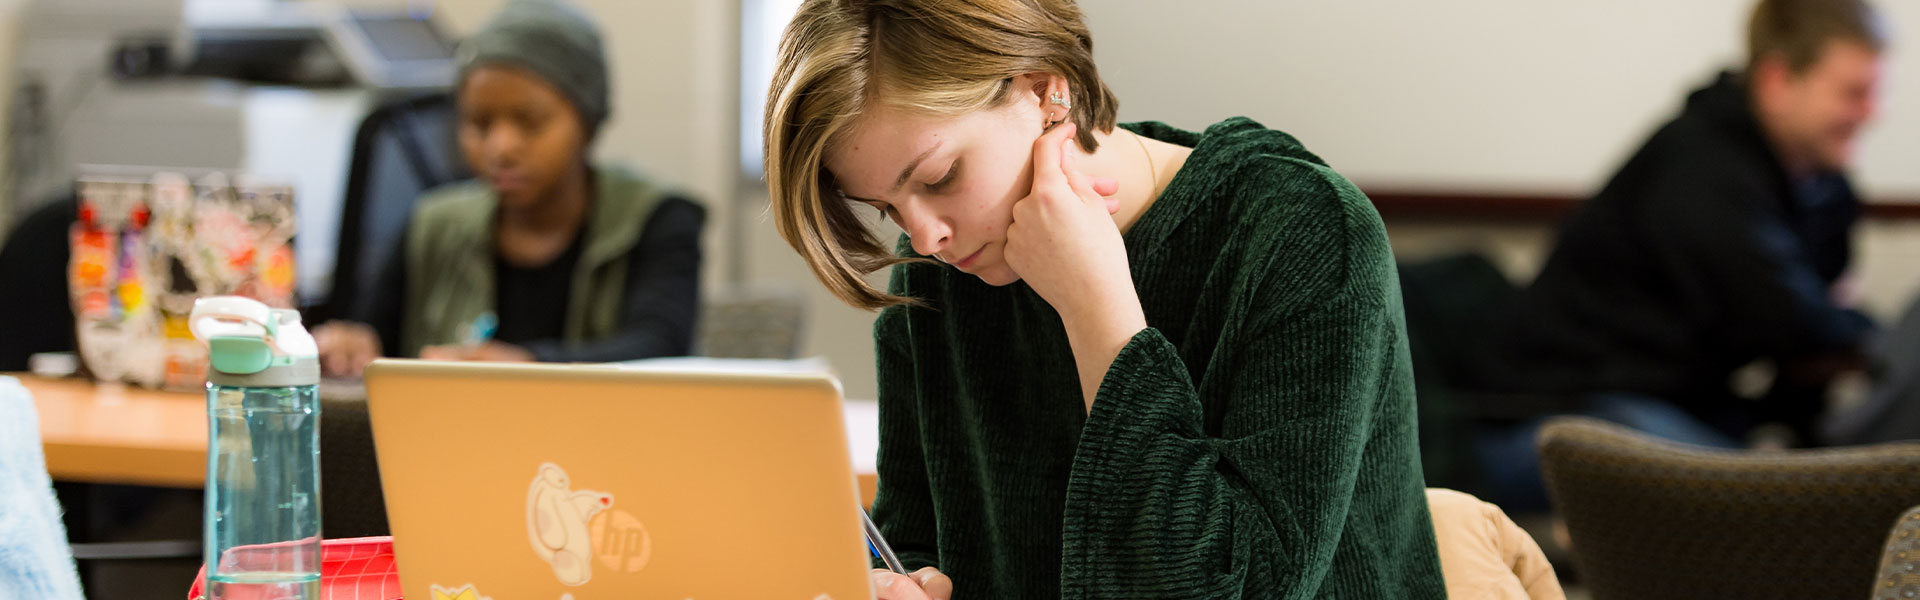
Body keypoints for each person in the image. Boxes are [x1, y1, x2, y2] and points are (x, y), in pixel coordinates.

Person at [763, 0, 1443, 597]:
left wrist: (1097, 309)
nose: (926, 236)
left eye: (941, 177)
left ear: (1043, 89)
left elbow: (1228, 587)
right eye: (885, 207)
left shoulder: (1303, 231)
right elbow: (915, 534)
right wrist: (895, 580)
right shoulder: (936, 275)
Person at [1480, 0, 1889, 511]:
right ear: (1778, 81)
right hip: (1565, 411)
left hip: (1674, 399)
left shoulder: (1817, 182)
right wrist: (1855, 328)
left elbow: (1811, 329)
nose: (1873, 114)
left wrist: (1834, 327)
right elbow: (1791, 321)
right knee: (1772, 502)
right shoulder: (1703, 167)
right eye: (1854, 93)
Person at [314, 0, 704, 377]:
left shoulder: (657, 218)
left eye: (530, 122)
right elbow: (374, 336)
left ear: (587, 121)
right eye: (479, 123)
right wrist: (352, 344)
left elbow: (660, 347)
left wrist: (526, 368)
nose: (501, 148)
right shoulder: (433, 223)